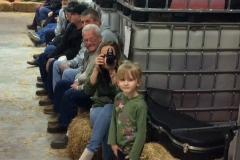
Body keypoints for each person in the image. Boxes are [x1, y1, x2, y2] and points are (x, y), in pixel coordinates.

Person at [51, 8, 118, 92]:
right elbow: (82, 53)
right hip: (84, 67)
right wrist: (71, 63)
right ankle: (54, 97)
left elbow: (94, 64)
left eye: (87, 21)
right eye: (82, 22)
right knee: (57, 64)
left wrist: (78, 81)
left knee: (67, 75)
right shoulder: (87, 32)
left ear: (97, 21)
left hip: (96, 74)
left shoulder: (104, 36)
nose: (84, 25)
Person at [78, 41, 123, 160]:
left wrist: (112, 71)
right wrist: (96, 70)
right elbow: (87, 91)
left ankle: (90, 150)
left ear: (116, 56)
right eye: (103, 56)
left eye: (110, 55)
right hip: (98, 109)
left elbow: (120, 97)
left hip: (117, 110)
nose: (106, 59)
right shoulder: (96, 67)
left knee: (109, 109)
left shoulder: (122, 70)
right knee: (108, 121)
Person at [36, 3, 87, 106]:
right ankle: (48, 89)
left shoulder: (83, 32)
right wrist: (51, 55)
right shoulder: (71, 26)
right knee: (43, 57)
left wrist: (55, 57)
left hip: (71, 57)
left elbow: (74, 52)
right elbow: (62, 44)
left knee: (54, 63)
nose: (70, 15)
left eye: (73, 13)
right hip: (65, 54)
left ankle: (54, 98)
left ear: (80, 16)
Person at [108, 60, 147, 160]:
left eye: (130, 80)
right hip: (119, 147)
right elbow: (113, 121)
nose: (126, 83)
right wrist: (113, 143)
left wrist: (134, 154)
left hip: (131, 151)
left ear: (138, 82)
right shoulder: (118, 98)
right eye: (122, 79)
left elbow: (141, 132)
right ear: (117, 81)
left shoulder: (140, 105)